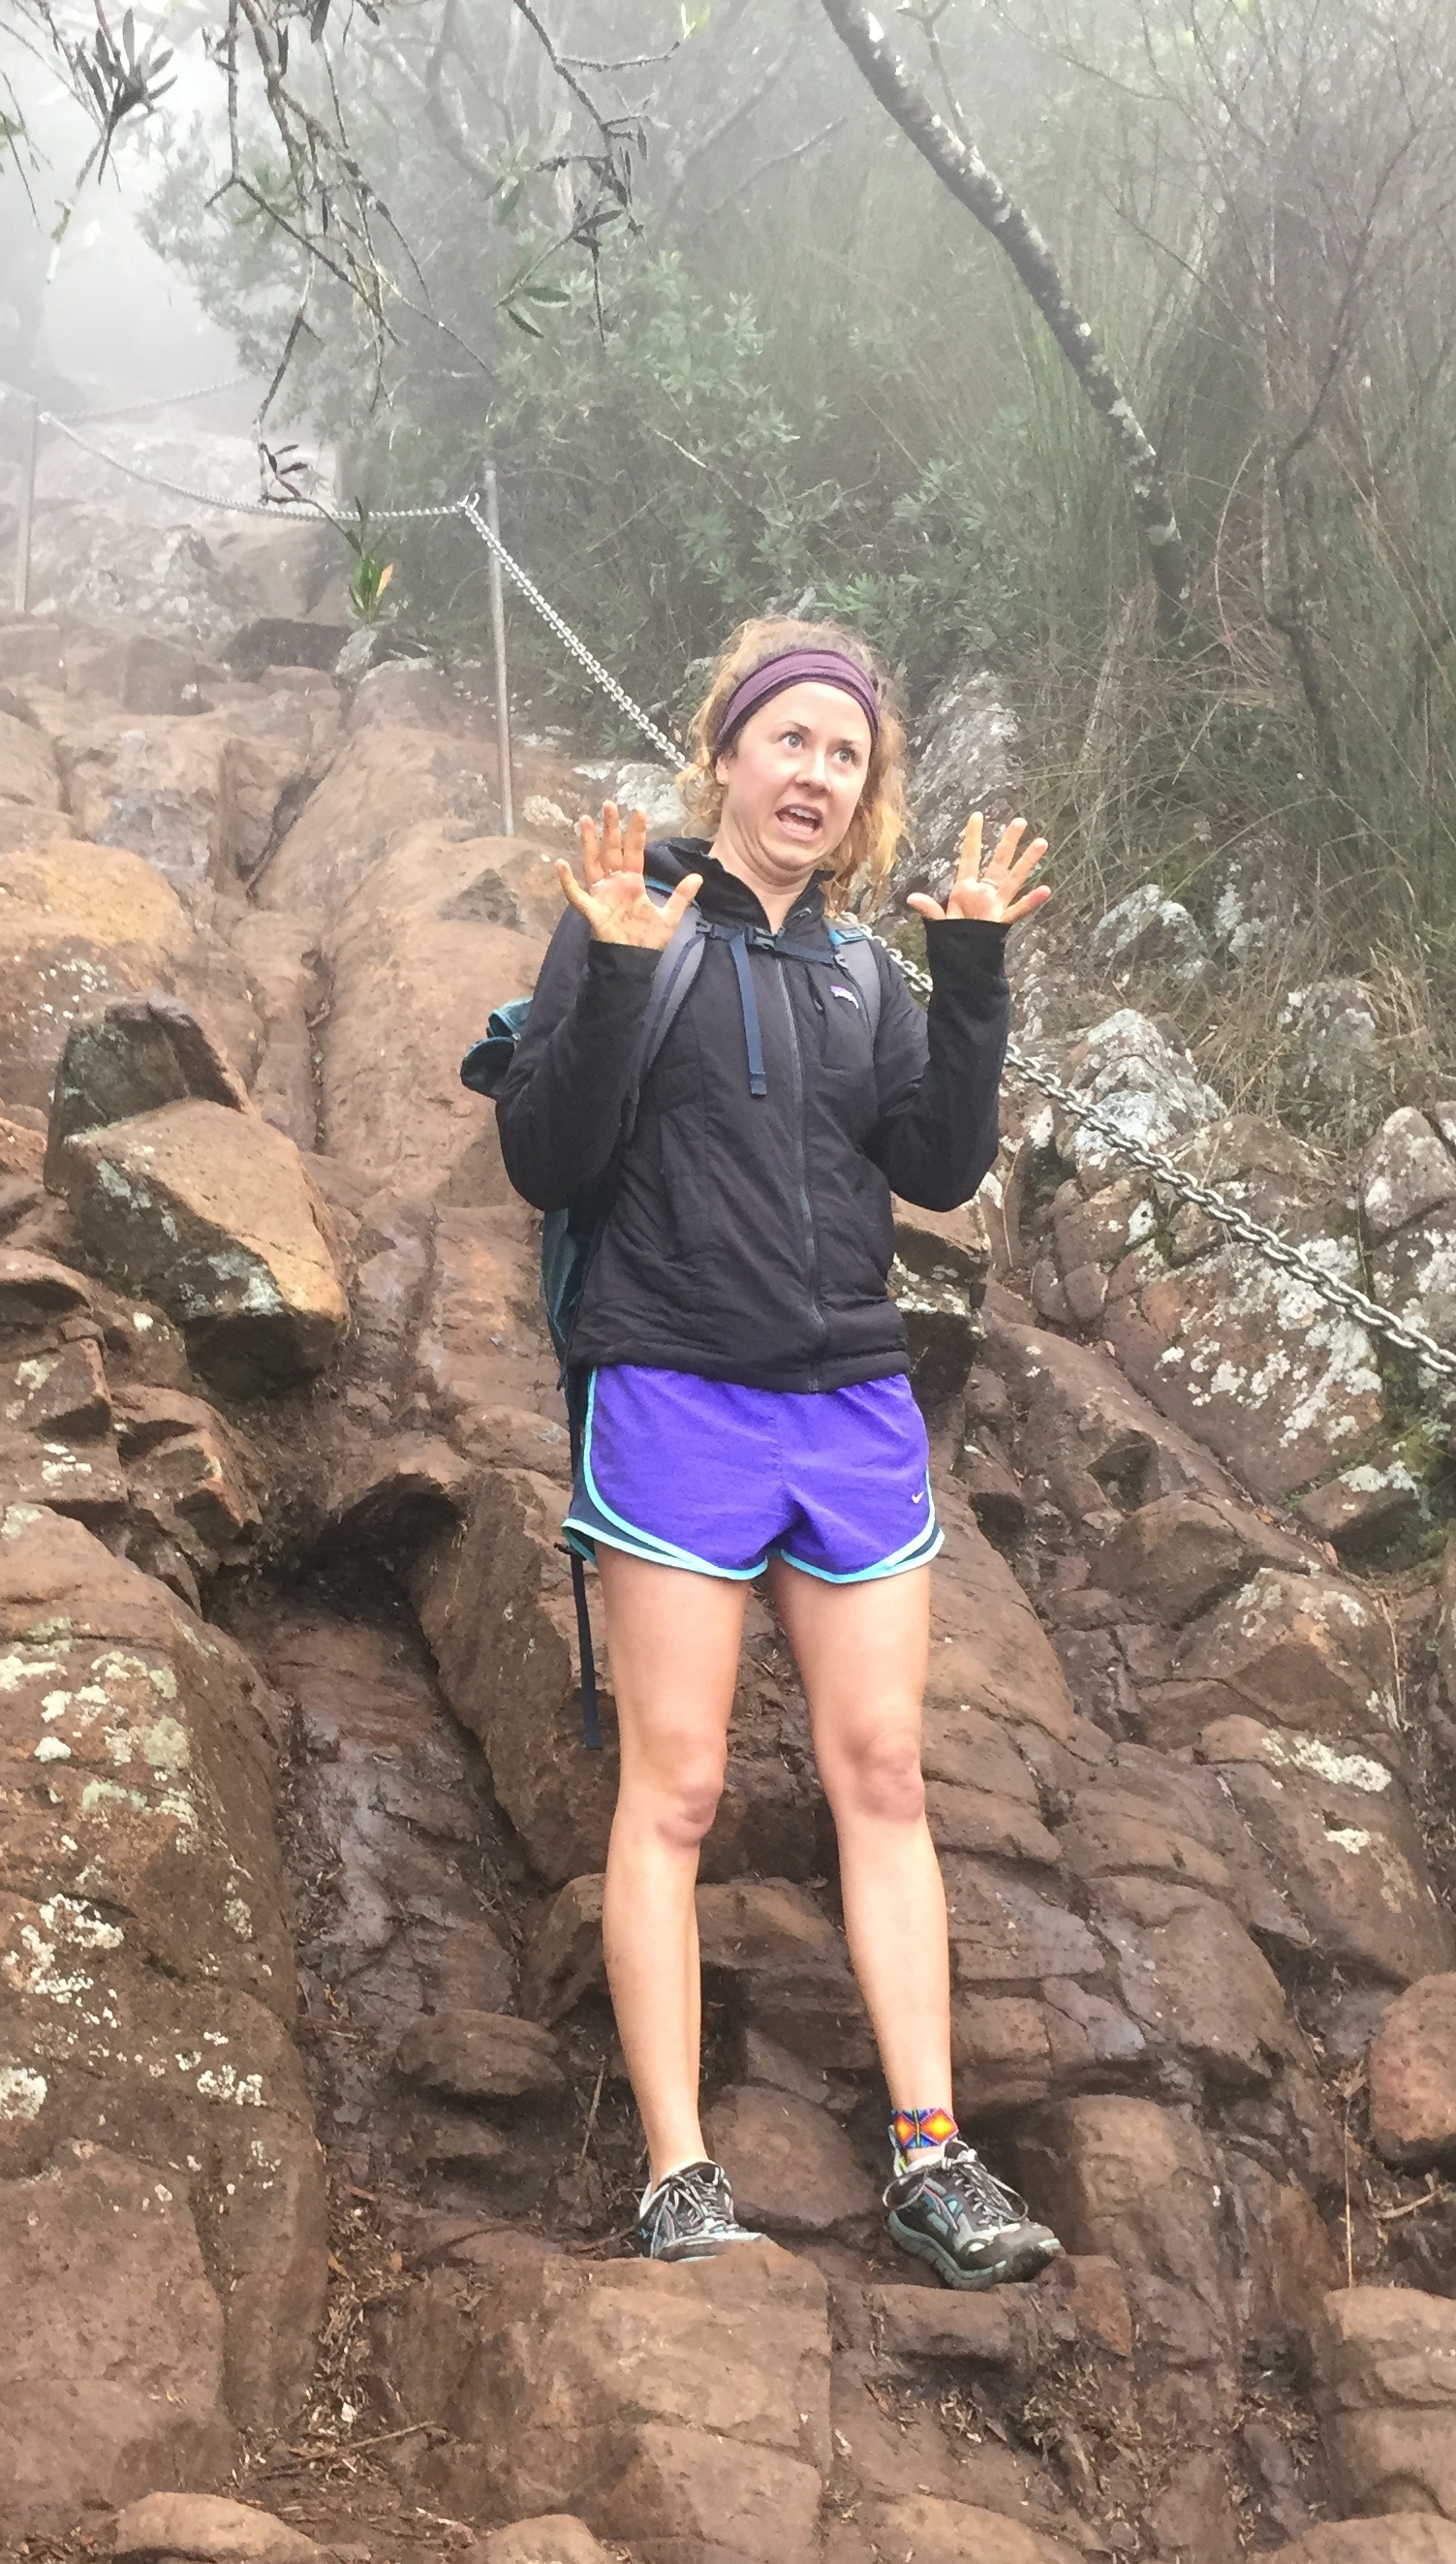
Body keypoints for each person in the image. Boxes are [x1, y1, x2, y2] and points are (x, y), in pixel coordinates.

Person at [495, 614, 1062, 2285]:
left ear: (864, 790)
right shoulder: (637, 925)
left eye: (845, 752)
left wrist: (969, 982)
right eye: (789, 740)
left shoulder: (865, 973)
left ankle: (931, 2156)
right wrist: (601, 969)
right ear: (727, 753)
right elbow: (549, 1156)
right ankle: (680, 2171)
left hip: (849, 1398)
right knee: (671, 1786)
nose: (814, 772)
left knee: (883, 1773)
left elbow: (940, 1172)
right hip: (675, 1389)